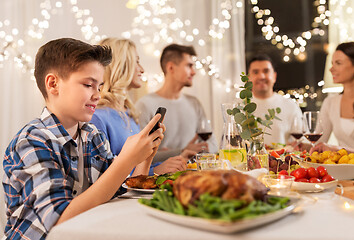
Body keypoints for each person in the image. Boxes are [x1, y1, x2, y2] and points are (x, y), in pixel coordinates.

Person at [2, 38, 165, 239]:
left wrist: (145, 155)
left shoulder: (92, 136)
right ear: (53, 84)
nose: (97, 95)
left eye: (100, 86)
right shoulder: (32, 141)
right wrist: (126, 160)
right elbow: (58, 220)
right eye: (88, 84)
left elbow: (121, 190)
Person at [90, 38, 188, 175]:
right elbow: (105, 177)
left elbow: (137, 165)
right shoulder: (97, 117)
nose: (142, 69)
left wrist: (169, 164)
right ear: (122, 65)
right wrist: (156, 170)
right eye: (136, 61)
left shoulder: (128, 113)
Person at [136, 43, 218, 162]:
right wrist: (182, 151)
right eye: (189, 66)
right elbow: (140, 156)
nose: (194, 72)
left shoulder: (194, 103)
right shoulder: (145, 105)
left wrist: (172, 152)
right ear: (171, 68)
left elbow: (214, 145)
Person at [247, 54, 303, 146]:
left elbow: (301, 143)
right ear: (248, 77)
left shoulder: (291, 106)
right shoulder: (240, 108)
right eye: (256, 72)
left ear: (274, 76)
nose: (261, 76)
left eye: (266, 71)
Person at [317, 42, 354, 149]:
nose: (331, 69)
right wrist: (299, 145)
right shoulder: (330, 102)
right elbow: (318, 142)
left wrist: (336, 150)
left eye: (338, 63)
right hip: (342, 166)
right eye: (332, 63)